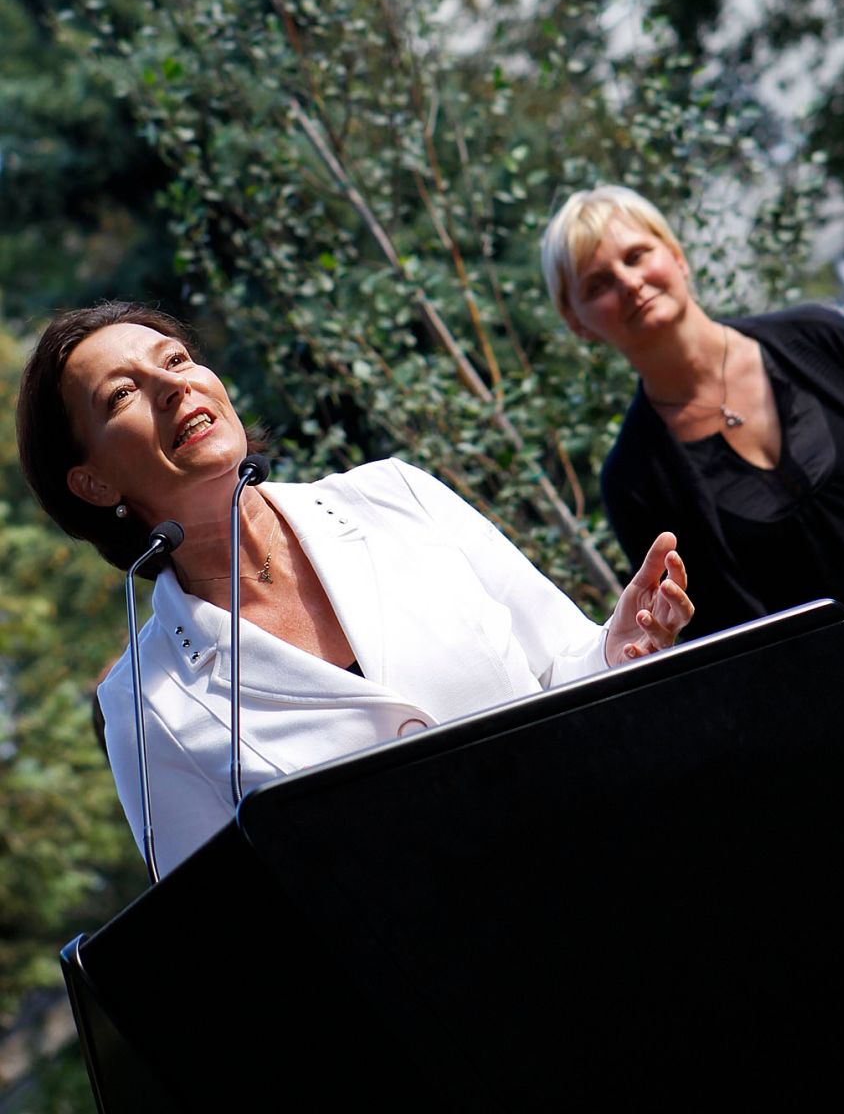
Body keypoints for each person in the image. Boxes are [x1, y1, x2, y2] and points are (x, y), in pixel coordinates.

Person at [17, 299, 692, 877]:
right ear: (94, 483)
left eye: (174, 360)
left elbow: (563, 666)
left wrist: (617, 650)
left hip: (610, 866)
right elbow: (224, 939)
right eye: (121, 394)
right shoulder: (144, 707)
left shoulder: (394, 495)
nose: (172, 387)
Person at [541, 182, 844, 640]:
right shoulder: (634, 482)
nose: (630, 283)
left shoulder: (817, 337)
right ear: (576, 322)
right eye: (598, 284)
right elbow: (720, 643)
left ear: (676, 256)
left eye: (635, 256)